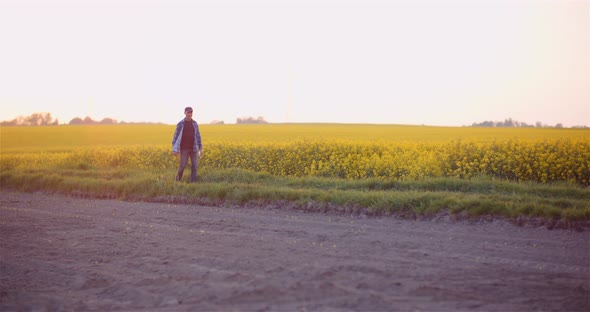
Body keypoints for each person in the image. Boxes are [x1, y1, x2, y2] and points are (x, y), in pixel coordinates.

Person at [172, 106, 203, 182]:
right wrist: (174, 149)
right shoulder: (180, 124)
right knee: (182, 165)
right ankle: (177, 180)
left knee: (195, 166)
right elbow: (175, 137)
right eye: (188, 112)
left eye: (191, 112)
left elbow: (198, 136)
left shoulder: (195, 123)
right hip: (184, 148)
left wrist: (200, 148)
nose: (190, 114)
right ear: (185, 113)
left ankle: (193, 182)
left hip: (194, 148)